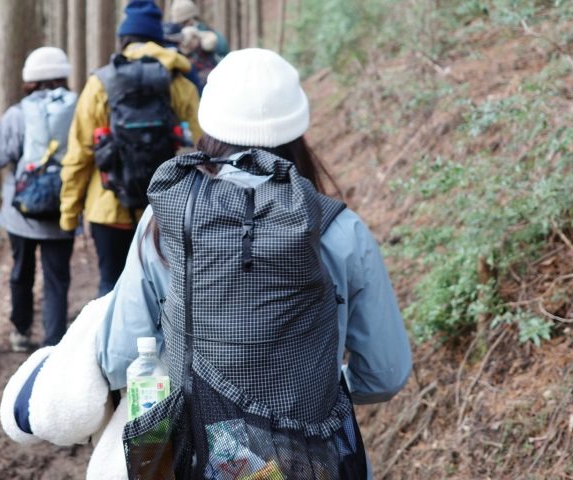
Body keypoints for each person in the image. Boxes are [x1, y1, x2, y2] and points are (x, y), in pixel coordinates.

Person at [95, 48, 411, 477]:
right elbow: (384, 374)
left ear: (209, 122)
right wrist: (310, 393)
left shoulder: (167, 218)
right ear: (299, 128)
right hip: (313, 462)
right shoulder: (340, 230)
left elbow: (118, 358)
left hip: (200, 458)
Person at [59, 0, 201, 297]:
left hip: (109, 208)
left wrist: (69, 214)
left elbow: (80, 154)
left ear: (124, 39)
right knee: (165, 290)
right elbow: (203, 148)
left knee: (111, 290)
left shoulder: (101, 84)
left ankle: (112, 343)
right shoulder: (179, 83)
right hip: (165, 210)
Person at [0, 46, 77, 351]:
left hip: (21, 212)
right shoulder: (77, 109)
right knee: (56, 278)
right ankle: (54, 344)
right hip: (63, 208)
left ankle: (21, 332)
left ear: (30, 80)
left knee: (21, 272)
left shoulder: (17, 114)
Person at [166, 0, 229, 87]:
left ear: (191, 19)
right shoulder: (174, 36)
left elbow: (224, 58)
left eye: (183, 22)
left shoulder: (212, 36)